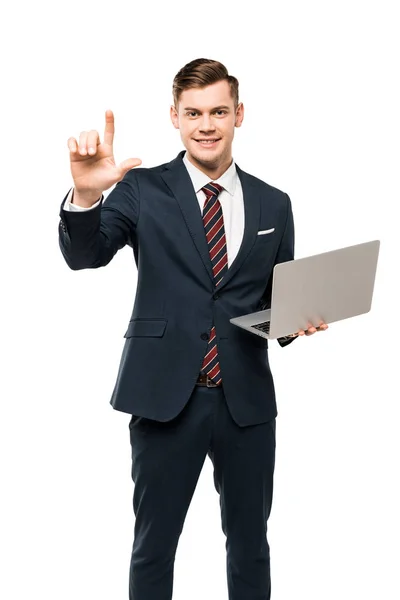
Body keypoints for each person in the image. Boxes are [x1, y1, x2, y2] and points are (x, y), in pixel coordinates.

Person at [58, 58, 328, 600]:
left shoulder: (275, 203)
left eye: (219, 111)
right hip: (163, 397)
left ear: (239, 115)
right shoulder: (141, 189)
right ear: (175, 118)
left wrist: (300, 320)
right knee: (154, 547)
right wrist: (87, 197)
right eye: (195, 113)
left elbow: (273, 308)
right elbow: (84, 256)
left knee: (251, 544)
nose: (207, 124)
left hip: (246, 403)